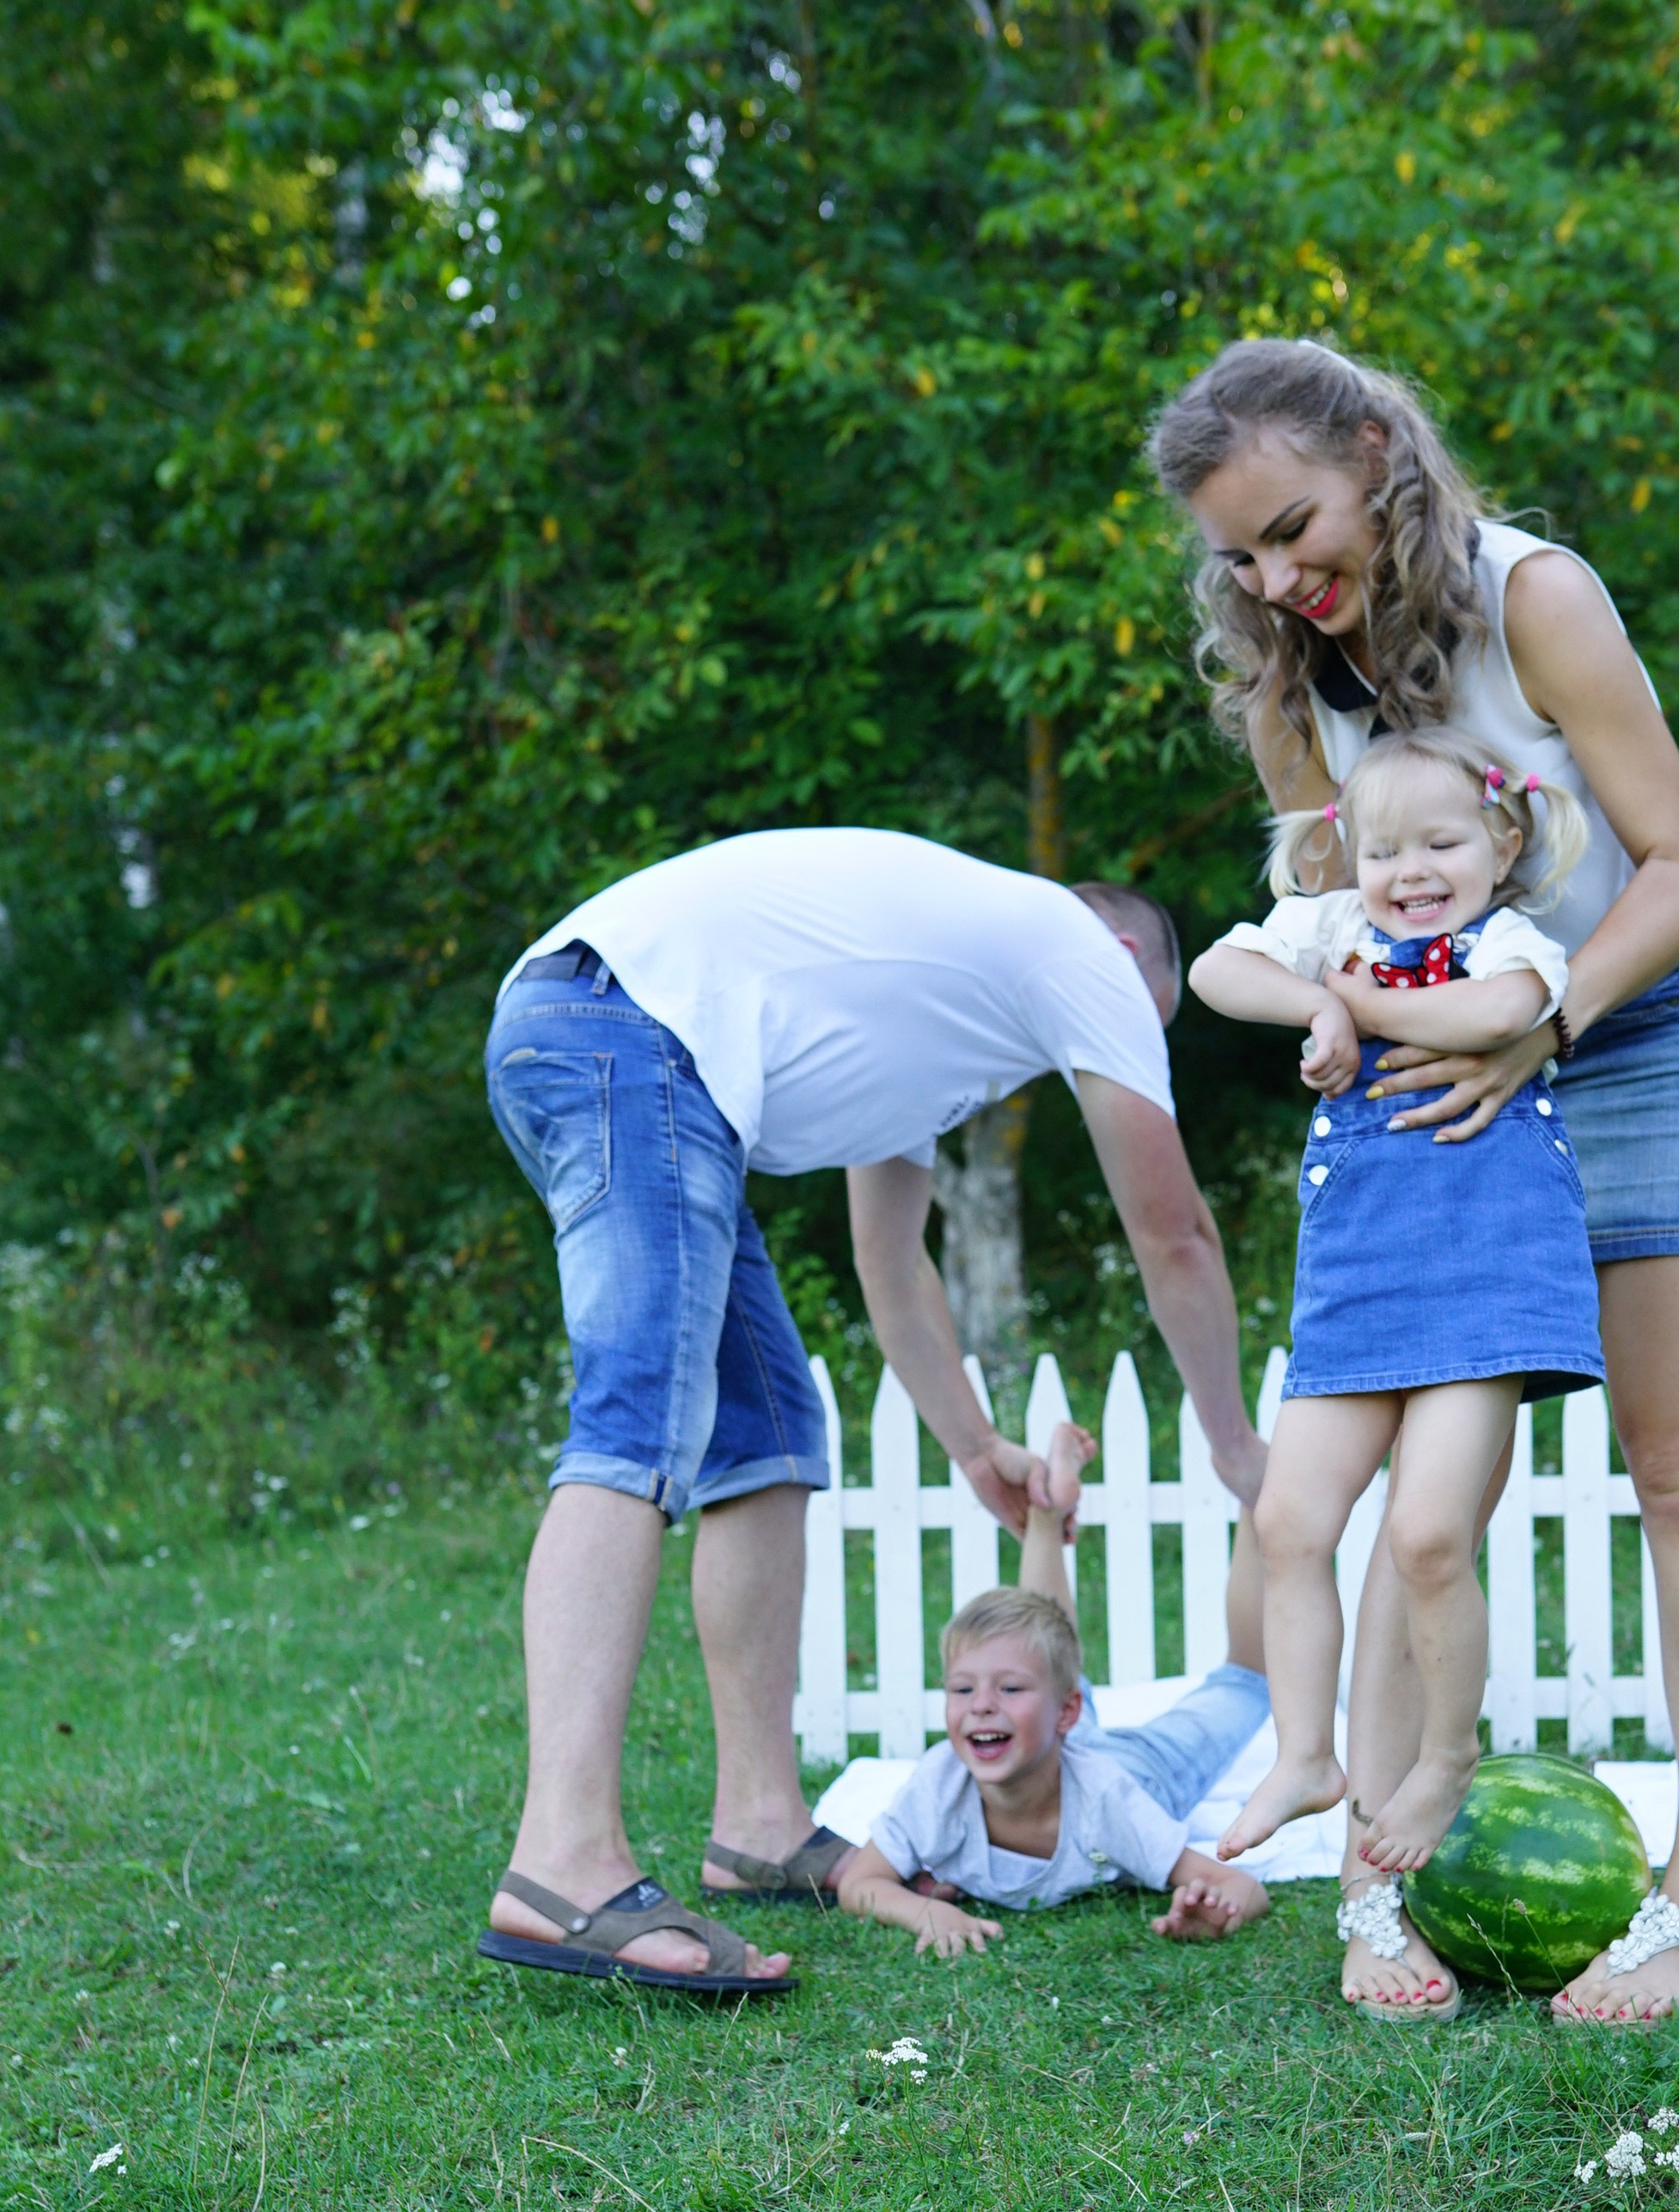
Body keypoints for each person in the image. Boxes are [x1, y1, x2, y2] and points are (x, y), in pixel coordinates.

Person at [1149, 339, 1679, 2027]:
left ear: (1374, 453)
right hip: (1426, 1071)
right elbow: (1322, 933)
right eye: (1242, 557)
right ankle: (1380, 1894)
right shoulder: (1295, 683)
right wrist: (1351, 1032)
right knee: (1403, 1481)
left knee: (1678, 1459)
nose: (1278, 579)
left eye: (1293, 527)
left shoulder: (1535, 599)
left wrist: (1542, 1017)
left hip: (1632, 1026)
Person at [474, 828, 1267, 1997]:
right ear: (1121, 957)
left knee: (772, 1436)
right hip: (623, 1031)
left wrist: (973, 1447)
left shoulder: (931, 1033)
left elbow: (892, 1268)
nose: (1125, 1054)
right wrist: (1237, 1444)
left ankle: (760, 1825)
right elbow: (1175, 1233)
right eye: (1141, 1022)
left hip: (626, 1045)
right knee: (638, 1422)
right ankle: (563, 1861)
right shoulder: (1071, 949)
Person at [1188, 723, 1603, 2013]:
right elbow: (1213, 970)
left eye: (1442, 842)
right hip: (1360, 1284)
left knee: (1427, 1538)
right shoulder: (1328, 931)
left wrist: (1346, 999)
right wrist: (1311, 992)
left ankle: (1446, 1754)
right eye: (1383, 850)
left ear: (1504, 844)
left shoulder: (1520, 945)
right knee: (1290, 1518)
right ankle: (1309, 1753)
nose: (1412, 870)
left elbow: (1493, 1016)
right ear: (1344, 859)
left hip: (1488, 1279)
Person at [832, 1426, 1273, 1955]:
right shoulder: (939, 1787)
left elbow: (1242, 1886)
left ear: (1068, 1715)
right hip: (1047, 1743)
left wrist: (1219, 1912)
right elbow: (860, 1882)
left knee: (1246, 1683)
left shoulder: (1112, 1802)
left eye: (1006, 1689)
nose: (982, 1705)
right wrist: (927, 1911)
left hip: (1136, 1768)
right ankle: (1047, 1509)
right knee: (1035, 1657)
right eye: (962, 1689)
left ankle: (1256, 1497)